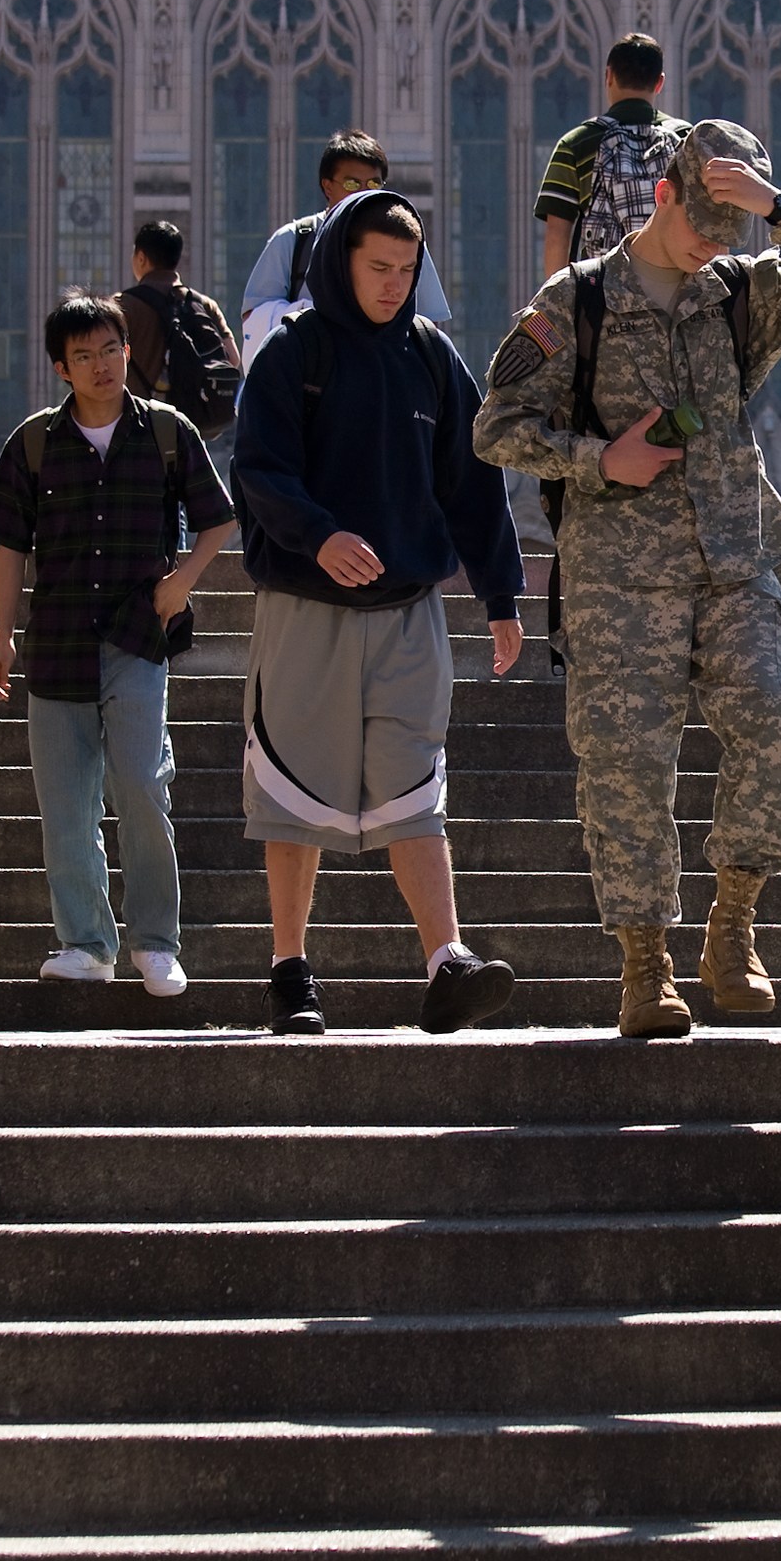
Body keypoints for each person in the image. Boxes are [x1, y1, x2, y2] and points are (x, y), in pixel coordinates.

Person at [476, 121, 781, 1036]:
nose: (712, 240)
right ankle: (644, 967)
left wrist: (777, 211)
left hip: (733, 561)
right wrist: (596, 459)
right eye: (701, 219)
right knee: (626, 771)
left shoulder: (741, 289)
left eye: (727, 225)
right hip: (618, 581)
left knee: (774, 730)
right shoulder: (575, 300)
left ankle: (731, 925)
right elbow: (494, 425)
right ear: (662, 196)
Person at [230, 187, 526, 1037]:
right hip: (305, 606)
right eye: (378, 268)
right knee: (293, 786)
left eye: (408, 269)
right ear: (338, 262)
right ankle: (290, 973)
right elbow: (259, 465)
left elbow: (474, 485)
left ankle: (447, 963)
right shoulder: (293, 351)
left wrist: (501, 597)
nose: (395, 285)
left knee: (415, 782)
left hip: (409, 611)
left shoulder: (432, 356)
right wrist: (316, 536)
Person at [0, 295, 239, 997]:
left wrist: (183, 580)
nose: (103, 365)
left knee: (143, 786)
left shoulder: (167, 433)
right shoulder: (33, 442)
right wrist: (2, 637)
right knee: (65, 802)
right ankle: (87, 943)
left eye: (113, 349)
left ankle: (155, 941)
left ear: (129, 351)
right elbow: (9, 549)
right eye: (86, 355)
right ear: (62, 367)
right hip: (56, 641)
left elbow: (218, 520)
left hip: (136, 635)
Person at [238, 130, 449, 360]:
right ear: (327, 187)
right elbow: (253, 320)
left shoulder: (406, 240)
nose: (364, 192)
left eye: (373, 183)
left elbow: (429, 327)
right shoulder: (293, 239)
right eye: (352, 183)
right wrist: (311, 316)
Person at [537, 32, 688, 278]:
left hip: (603, 299)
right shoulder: (687, 140)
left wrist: (562, 305)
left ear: (609, 76)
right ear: (659, 82)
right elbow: (711, 225)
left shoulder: (576, 144)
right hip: (677, 297)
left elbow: (557, 235)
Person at [118, 219, 245, 433]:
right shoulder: (204, 304)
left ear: (141, 257)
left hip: (140, 430)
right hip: (190, 429)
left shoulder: (120, 307)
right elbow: (232, 360)